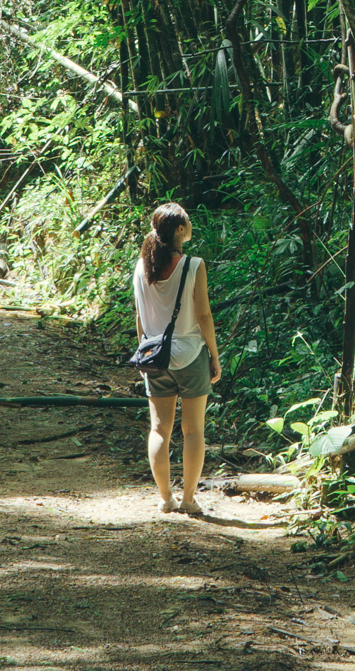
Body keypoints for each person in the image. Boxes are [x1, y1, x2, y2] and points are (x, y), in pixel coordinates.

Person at [133, 201, 220, 515]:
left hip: (154, 357)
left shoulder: (142, 266)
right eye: (188, 221)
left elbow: (140, 317)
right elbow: (204, 315)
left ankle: (165, 498)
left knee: (159, 430)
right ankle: (188, 500)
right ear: (180, 229)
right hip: (191, 354)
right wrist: (214, 354)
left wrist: (143, 349)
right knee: (193, 430)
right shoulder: (194, 265)